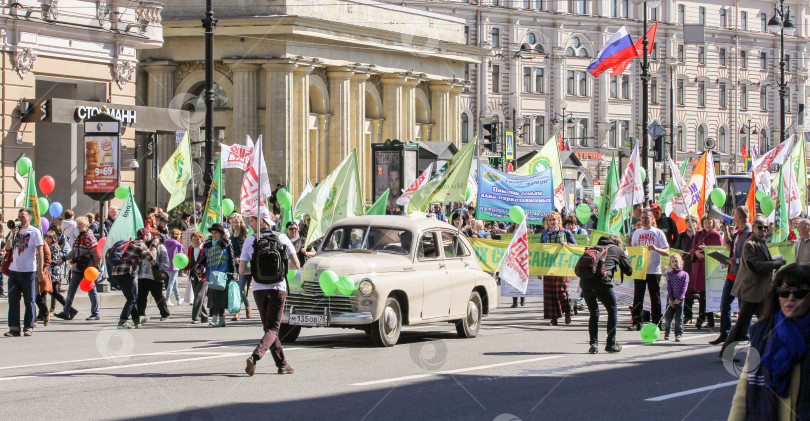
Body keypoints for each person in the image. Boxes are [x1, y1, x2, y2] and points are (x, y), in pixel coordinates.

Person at [728, 263, 810, 420]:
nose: (790, 298)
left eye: (800, 293)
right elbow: (742, 394)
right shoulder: (762, 334)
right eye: (784, 292)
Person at [242, 210, 301, 376]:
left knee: (269, 328)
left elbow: (242, 269)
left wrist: (256, 269)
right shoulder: (282, 238)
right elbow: (296, 265)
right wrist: (281, 268)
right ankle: (256, 356)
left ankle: (282, 364)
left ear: (262, 221)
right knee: (273, 328)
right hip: (277, 288)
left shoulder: (250, 240)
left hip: (259, 288)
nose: (250, 224)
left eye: (252, 222)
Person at [720, 215, 788, 358]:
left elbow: (762, 262)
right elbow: (754, 265)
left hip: (760, 290)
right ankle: (727, 352)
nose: (763, 230)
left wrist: (775, 261)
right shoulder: (750, 243)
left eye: (765, 228)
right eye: (760, 228)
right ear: (755, 228)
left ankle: (767, 350)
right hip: (751, 290)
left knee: (768, 321)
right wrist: (775, 264)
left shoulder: (761, 242)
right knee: (742, 325)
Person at [581, 235, 633, 353]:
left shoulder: (593, 248)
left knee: (593, 313)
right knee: (612, 310)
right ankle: (611, 343)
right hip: (602, 283)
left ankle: (594, 344)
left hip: (585, 283)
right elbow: (629, 271)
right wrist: (625, 256)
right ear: (618, 244)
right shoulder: (617, 250)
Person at [710, 206, 752, 345]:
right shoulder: (739, 232)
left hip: (742, 275)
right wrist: (726, 232)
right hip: (731, 274)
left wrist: (734, 261)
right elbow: (729, 247)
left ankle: (744, 335)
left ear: (739, 216)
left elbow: (749, 256)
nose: (732, 217)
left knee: (743, 307)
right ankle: (725, 333)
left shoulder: (749, 233)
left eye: (734, 215)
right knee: (725, 305)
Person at [628, 208, 670, 331]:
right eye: (642, 218)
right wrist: (629, 246)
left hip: (654, 269)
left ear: (652, 219)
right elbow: (633, 252)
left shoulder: (658, 233)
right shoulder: (636, 233)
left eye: (647, 218)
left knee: (655, 297)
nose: (644, 220)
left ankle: (656, 322)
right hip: (640, 270)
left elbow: (667, 251)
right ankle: (636, 322)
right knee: (638, 296)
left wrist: (656, 249)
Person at [4, 208, 44, 337]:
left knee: (29, 300)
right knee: (13, 300)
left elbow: (40, 251)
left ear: (29, 218)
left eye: (22, 216)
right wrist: (12, 233)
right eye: (19, 216)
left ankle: (28, 326)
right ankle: (14, 327)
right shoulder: (15, 231)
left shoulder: (35, 232)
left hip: (28, 271)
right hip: (14, 271)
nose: (20, 219)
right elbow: (8, 247)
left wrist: (40, 269)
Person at [54, 217, 101, 321]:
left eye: (81, 224)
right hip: (78, 267)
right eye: (78, 224)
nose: (78, 226)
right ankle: (66, 312)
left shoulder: (89, 238)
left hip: (88, 270)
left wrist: (96, 267)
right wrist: (64, 258)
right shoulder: (79, 237)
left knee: (91, 291)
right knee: (71, 290)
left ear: (86, 225)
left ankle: (95, 313)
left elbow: (96, 254)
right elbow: (73, 252)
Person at [110, 228, 156, 329]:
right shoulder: (140, 244)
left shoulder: (131, 243)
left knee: (132, 297)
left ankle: (136, 321)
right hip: (126, 273)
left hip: (116, 273)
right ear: (145, 237)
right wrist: (154, 245)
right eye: (149, 235)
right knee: (132, 299)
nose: (150, 237)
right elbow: (152, 258)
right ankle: (122, 321)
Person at [194, 223, 236, 328]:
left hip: (223, 274)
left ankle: (215, 318)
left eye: (216, 233)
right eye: (212, 233)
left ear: (221, 234)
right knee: (213, 297)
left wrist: (233, 273)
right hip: (211, 274)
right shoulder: (207, 244)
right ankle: (221, 319)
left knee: (219, 297)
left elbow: (231, 259)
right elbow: (203, 259)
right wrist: (199, 269)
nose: (214, 235)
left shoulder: (226, 243)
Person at [686, 215, 723, 329]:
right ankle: (708, 320)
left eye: (709, 222)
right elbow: (692, 249)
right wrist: (695, 253)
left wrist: (707, 250)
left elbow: (720, 252)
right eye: (706, 222)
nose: (707, 225)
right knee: (702, 294)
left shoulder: (716, 235)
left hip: (711, 268)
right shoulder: (698, 234)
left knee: (708, 295)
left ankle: (702, 317)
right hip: (700, 268)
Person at [541, 211, 576, 326]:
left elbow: (575, 247)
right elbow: (539, 250)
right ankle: (554, 318)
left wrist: (567, 245)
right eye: (550, 220)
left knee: (562, 292)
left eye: (554, 219)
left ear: (558, 220)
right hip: (548, 267)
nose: (552, 222)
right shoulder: (544, 234)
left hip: (562, 266)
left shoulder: (565, 232)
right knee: (550, 293)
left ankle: (567, 313)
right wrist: (539, 269)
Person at [136, 229, 171, 322]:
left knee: (158, 296)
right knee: (141, 298)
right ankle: (141, 315)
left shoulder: (160, 246)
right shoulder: (140, 246)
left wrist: (158, 267)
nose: (144, 238)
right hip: (142, 276)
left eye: (147, 236)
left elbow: (166, 262)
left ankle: (165, 314)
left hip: (155, 276)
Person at [40, 231, 70, 323]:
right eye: (45, 237)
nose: (46, 239)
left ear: (53, 238)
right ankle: (42, 313)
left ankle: (68, 308)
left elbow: (54, 259)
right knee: (46, 292)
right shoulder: (47, 246)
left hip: (53, 272)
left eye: (48, 237)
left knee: (54, 293)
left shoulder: (54, 247)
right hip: (48, 271)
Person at [229, 214, 251, 321]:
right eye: (234, 222)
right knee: (234, 290)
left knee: (241, 290)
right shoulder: (230, 237)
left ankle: (247, 305)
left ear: (241, 223)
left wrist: (242, 259)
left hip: (243, 265)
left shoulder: (245, 235)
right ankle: (236, 312)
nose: (236, 224)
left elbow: (248, 250)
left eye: (237, 222)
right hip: (233, 266)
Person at [663, 254, 689, 342]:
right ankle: (667, 332)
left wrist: (679, 298)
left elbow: (684, 288)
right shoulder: (669, 274)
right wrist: (670, 299)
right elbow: (669, 287)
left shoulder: (685, 275)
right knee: (668, 318)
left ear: (681, 262)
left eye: (676, 261)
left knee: (679, 318)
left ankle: (678, 334)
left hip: (679, 300)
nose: (674, 263)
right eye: (672, 261)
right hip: (670, 299)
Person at [187, 231, 208, 323]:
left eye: (198, 239)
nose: (196, 241)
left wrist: (203, 270)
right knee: (198, 296)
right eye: (194, 239)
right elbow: (189, 261)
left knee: (199, 295)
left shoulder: (205, 248)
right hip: (193, 275)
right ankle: (204, 316)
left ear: (201, 239)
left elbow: (208, 262)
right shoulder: (190, 248)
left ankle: (196, 317)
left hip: (204, 276)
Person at [34, 233, 53, 326]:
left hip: (41, 274)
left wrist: (42, 270)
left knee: (39, 297)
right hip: (30, 272)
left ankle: (45, 313)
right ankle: (33, 319)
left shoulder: (43, 244)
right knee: (31, 297)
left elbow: (48, 259)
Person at [164, 229, 184, 306]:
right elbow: (180, 255)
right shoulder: (178, 244)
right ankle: (167, 299)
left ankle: (178, 299)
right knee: (171, 283)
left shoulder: (165, 242)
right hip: (174, 265)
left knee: (174, 282)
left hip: (167, 264)